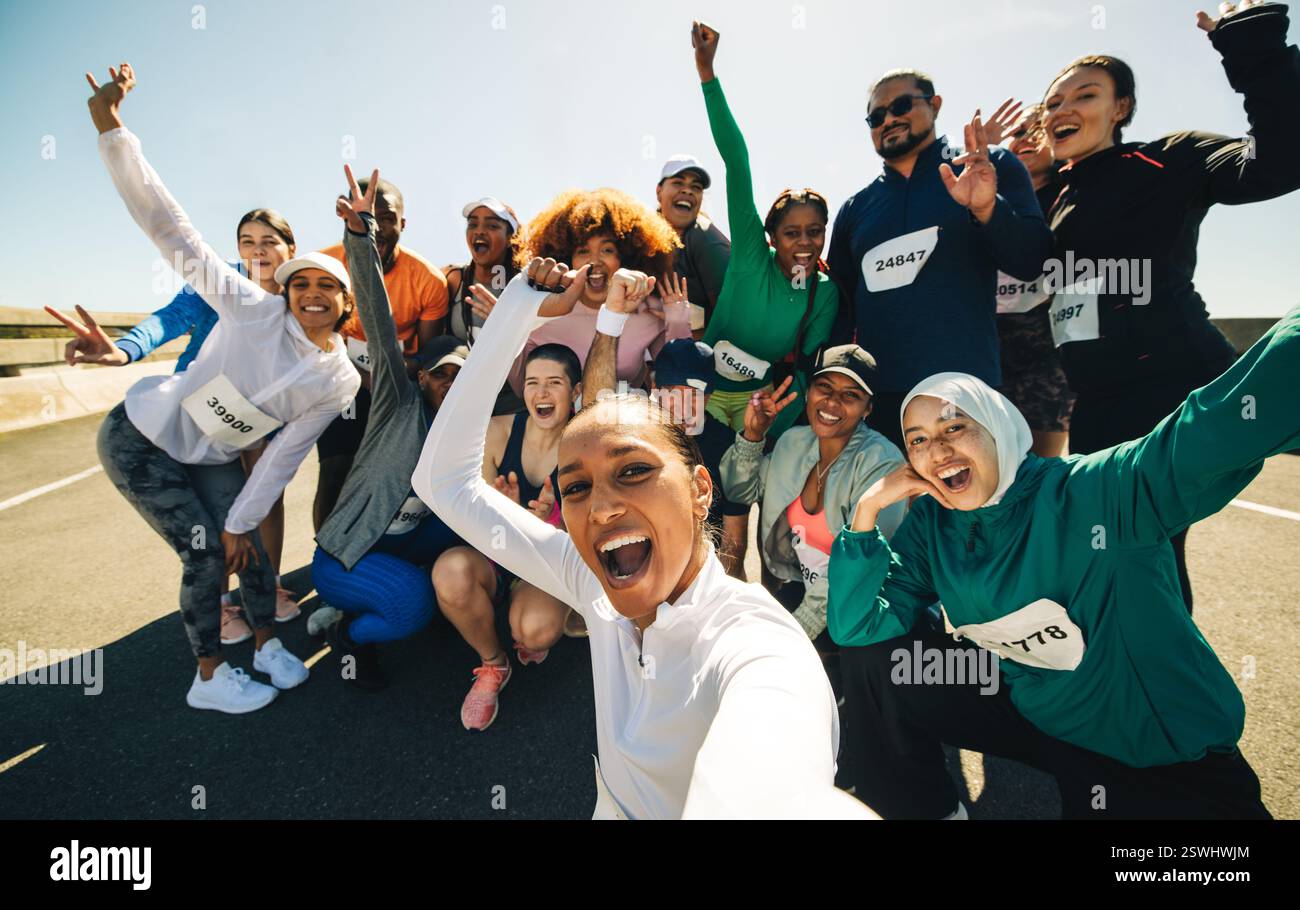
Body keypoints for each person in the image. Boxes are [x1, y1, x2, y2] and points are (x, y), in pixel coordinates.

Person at [413, 256, 874, 818]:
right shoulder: (591, 583)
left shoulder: (757, 642)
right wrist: (518, 310)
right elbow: (441, 482)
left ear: (701, 489)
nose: (603, 507)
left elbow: (779, 781)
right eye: (575, 488)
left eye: (633, 471)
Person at [827, 292, 1300, 818]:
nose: (936, 452)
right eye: (917, 440)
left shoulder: (1097, 490)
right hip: (1034, 715)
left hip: (1150, 753)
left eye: (954, 427)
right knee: (879, 660)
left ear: (997, 426)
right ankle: (925, 805)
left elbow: (1216, 428)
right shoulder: (934, 522)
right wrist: (866, 512)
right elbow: (856, 626)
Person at [73, 62, 359, 713]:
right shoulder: (247, 307)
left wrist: (241, 519)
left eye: (327, 287)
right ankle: (208, 678)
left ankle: (265, 644)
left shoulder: (336, 378)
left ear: (346, 304)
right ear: (284, 290)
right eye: (300, 284)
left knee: (249, 540)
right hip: (144, 441)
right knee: (205, 556)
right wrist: (112, 129)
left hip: (215, 454)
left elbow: (283, 457)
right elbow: (174, 232)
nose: (311, 294)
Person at [1039, 0, 1300, 612]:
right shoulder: (1050, 199)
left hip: (1172, 389)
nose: (1063, 109)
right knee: (1122, 556)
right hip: (1098, 408)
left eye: (1085, 95)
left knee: (1137, 551)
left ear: (1120, 108)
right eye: (1052, 102)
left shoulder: (1167, 159)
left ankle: (1165, 696)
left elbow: (1279, 163)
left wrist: (1253, 46)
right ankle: (1142, 687)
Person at [58, 215, 304, 631]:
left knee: (265, 496)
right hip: (200, 409)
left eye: (269, 241)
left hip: (258, 414)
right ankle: (221, 601)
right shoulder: (219, 281)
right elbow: (169, 319)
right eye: (247, 242)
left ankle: (267, 585)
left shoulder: (296, 295)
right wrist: (122, 350)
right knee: (214, 513)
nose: (257, 251)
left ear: (290, 249)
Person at [827, 66, 1055, 452]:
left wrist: (987, 208)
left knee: (975, 512)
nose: (889, 119)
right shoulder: (855, 208)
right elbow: (838, 307)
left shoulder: (989, 166)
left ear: (935, 105)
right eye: (876, 116)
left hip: (968, 394)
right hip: (881, 408)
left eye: (901, 105)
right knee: (892, 515)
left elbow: (1033, 261)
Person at [312, 170, 471, 690]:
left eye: (461, 375)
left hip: (410, 539)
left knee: (480, 527)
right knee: (411, 607)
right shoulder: (398, 405)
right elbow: (379, 325)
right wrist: (361, 239)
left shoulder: (468, 428)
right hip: (351, 553)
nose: (451, 384)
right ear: (422, 377)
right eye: (441, 373)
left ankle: (461, 609)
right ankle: (352, 636)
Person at [691, 22, 839, 439]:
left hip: (760, 405)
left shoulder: (823, 291)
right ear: (773, 238)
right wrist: (707, 74)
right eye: (793, 233)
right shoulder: (753, 256)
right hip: (704, 392)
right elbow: (737, 161)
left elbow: (808, 366)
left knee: (741, 495)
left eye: (815, 231)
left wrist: (778, 423)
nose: (806, 242)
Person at [431, 343, 580, 730]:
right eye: (532, 383)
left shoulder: (585, 448)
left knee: (535, 633)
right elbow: (470, 520)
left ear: (576, 393)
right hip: (496, 557)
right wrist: (503, 514)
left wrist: (549, 525)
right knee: (449, 572)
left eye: (554, 383)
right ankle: (494, 664)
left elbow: (588, 542)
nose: (542, 394)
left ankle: (526, 628)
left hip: (545, 568)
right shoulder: (497, 432)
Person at [721, 344, 907, 640]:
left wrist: (798, 630)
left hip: (862, 610)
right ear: (809, 392)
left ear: (867, 408)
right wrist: (753, 436)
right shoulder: (793, 442)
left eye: (850, 395)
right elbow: (739, 492)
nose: (832, 403)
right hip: (800, 591)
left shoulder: (881, 463)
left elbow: (860, 566)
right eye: (825, 387)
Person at [313, 175, 450, 531]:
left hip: (395, 383)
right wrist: (357, 374)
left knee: (391, 473)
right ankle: (326, 556)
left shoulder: (428, 280)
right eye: (367, 216)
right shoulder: (324, 266)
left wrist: (384, 376)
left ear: (403, 223)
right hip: (340, 379)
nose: (376, 227)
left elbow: (424, 358)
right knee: (335, 468)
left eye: (386, 216)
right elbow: (312, 339)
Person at [583, 291, 751, 578]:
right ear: (653, 386)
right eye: (672, 394)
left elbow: (735, 537)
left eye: (694, 396)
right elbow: (593, 409)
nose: (682, 407)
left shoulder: (725, 444)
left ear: (709, 396)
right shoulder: (633, 432)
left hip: (704, 567)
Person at [507, 188, 689, 395]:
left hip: (626, 422)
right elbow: (522, 389)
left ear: (626, 258)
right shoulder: (545, 311)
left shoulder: (648, 311)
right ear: (566, 259)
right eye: (583, 251)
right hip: (555, 423)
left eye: (607, 250)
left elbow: (680, 384)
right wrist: (507, 329)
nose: (595, 261)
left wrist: (678, 322)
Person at [989, 103, 1073, 458]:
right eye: (1016, 134)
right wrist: (988, 151)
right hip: (993, 350)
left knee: (1039, 469)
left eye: (1034, 133)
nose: (1023, 140)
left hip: (1048, 356)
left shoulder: (1072, 196)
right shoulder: (988, 201)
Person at [442, 196, 528, 415]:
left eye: (491, 225)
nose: (479, 231)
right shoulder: (453, 279)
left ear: (510, 237)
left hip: (513, 398)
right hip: (464, 397)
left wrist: (504, 325)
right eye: (473, 224)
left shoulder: (527, 286)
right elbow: (436, 347)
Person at [654, 154, 731, 331]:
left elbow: (731, 317)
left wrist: (686, 323)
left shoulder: (706, 239)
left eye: (696, 187)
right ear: (659, 191)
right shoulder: (640, 237)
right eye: (678, 183)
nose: (687, 191)